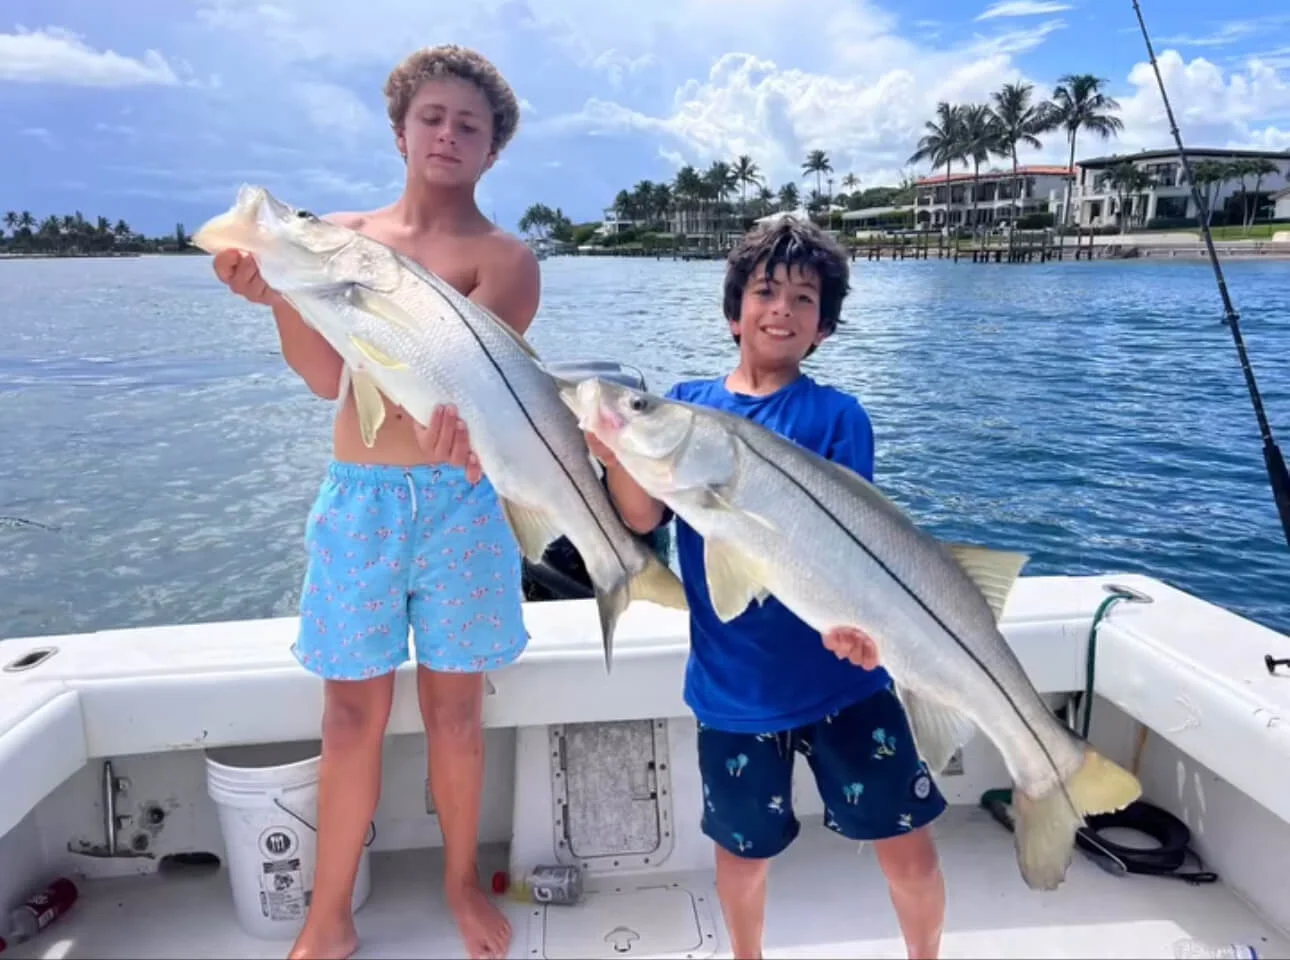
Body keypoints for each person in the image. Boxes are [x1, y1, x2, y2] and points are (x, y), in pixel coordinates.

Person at [212, 45, 539, 960]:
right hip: (359, 503)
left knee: (457, 713)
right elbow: (327, 380)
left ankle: (461, 881)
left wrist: (457, 420)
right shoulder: (340, 241)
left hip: (462, 505)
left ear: (492, 150)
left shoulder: (505, 259)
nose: (447, 134)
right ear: (400, 131)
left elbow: (461, 386)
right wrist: (279, 288)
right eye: (432, 117)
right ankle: (329, 911)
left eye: (469, 124)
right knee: (349, 715)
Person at [589, 217, 948, 960]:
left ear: (824, 326)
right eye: (765, 291)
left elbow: (862, 550)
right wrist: (618, 447)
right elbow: (640, 515)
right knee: (743, 861)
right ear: (734, 312)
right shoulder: (686, 405)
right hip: (735, 688)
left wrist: (860, 631)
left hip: (845, 679)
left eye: (803, 297)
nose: (782, 307)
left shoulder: (836, 416)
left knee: (909, 850)